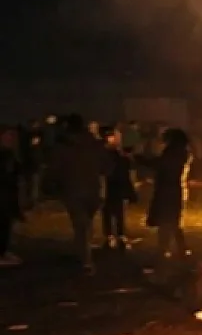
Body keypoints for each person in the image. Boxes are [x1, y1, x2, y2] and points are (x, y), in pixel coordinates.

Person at [53, 114, 108, 274]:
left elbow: (55, 168)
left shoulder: (63, 146)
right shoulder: (96, 144)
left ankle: (85, 259)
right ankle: (84, 252)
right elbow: (107, 167)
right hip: (93, 190)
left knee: (81, 224)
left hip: (73, 190)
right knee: (86, 223)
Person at [144, 128, 192, 267]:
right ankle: (181, 249)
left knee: (166, 221)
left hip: (168, 190)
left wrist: (141, 160)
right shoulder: (182, 152)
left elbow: (162, 165)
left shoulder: (174, 153)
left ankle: (163, 249)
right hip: (175, 189)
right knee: (174, 222)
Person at [101, 128, 138, 250]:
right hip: (109, 186)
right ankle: (110, 235)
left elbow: (126, 171)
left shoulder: (120, 155)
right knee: (108, 211)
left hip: (118, 186)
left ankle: (119, 234)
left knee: (119, 212)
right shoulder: (106, 154)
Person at [0, 126, 22, 265]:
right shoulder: (4, 155)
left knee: (5, 224)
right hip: (2, 195)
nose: (10, 139)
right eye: (7, 136)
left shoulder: (10, 154)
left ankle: (3, 251)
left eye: (12, 136)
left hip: (7, 195)